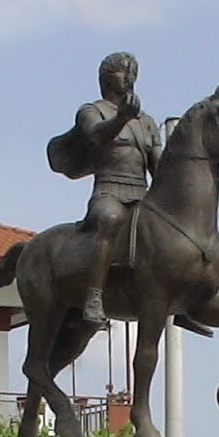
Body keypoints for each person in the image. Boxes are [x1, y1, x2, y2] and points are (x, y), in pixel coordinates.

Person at [48, 51, 161, 327]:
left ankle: (183, 299)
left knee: (171, 235)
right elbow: (95, 136)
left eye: (134, 72)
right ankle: (94, 296)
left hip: (141, 195)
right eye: (124, 71)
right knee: (111, 219)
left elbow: (158, 166)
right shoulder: (92, 110)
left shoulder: (146, 121)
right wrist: (122, 118)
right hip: (109, 190)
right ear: (108, 78)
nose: (130, 78)